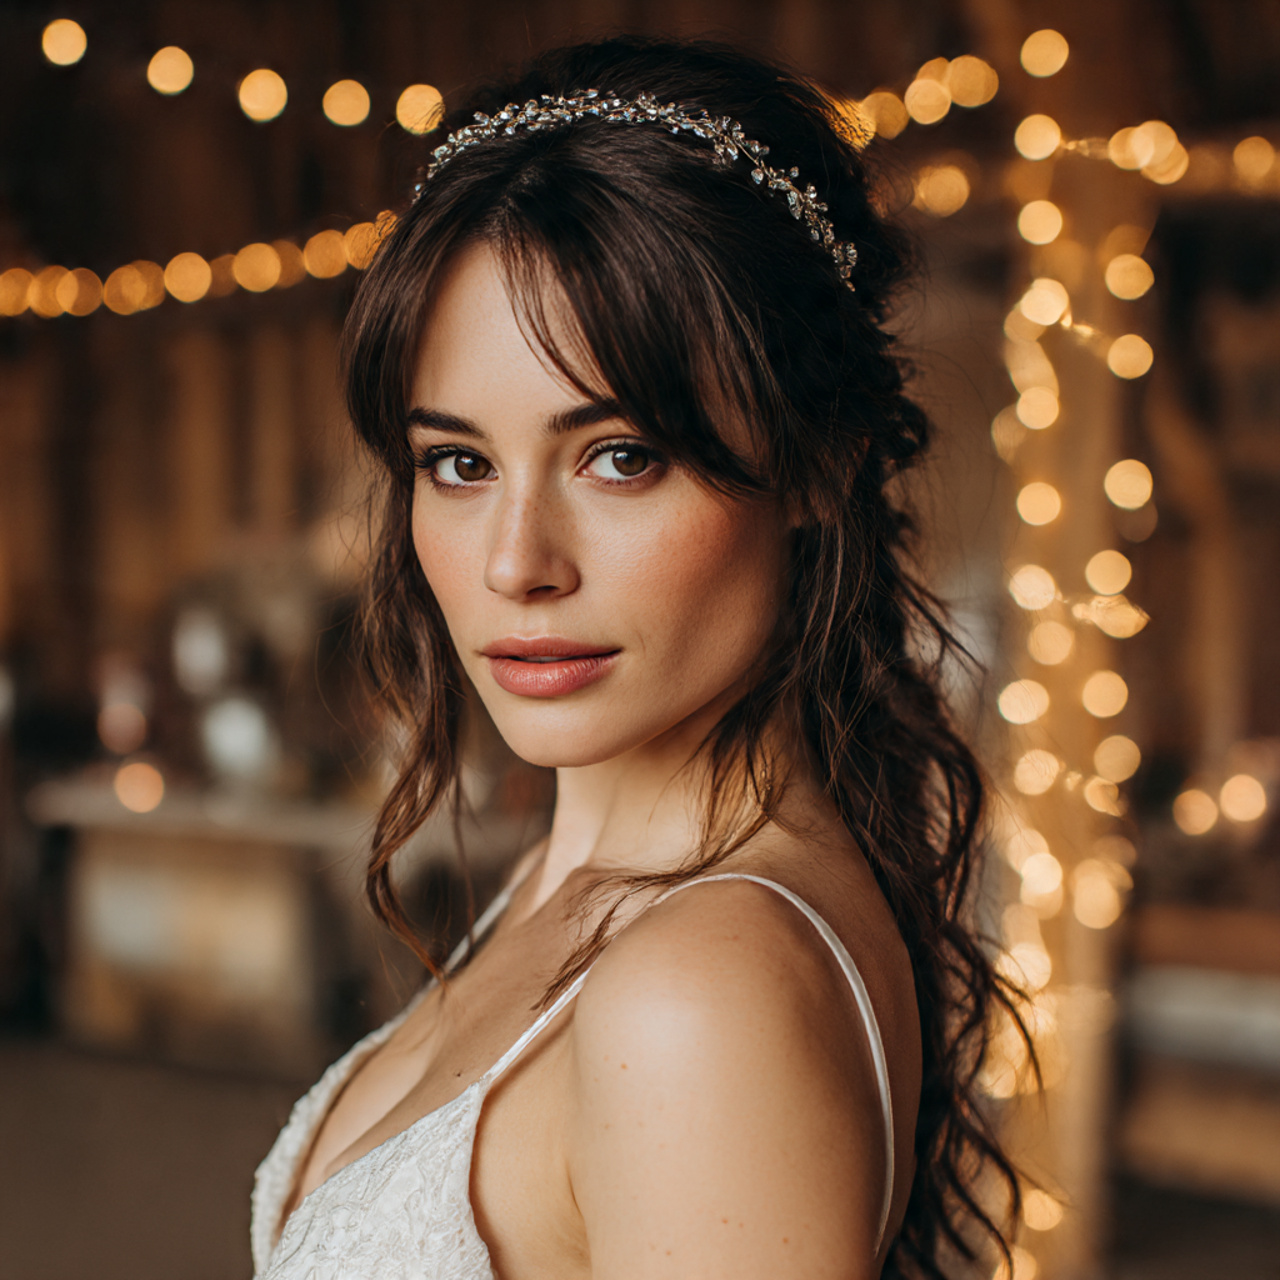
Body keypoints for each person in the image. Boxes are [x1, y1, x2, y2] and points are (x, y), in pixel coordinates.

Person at [250, 34, 1024, 1280]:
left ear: (816, 459)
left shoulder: (699, 996)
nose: (516, 563)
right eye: (459, 462)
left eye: (619, 454)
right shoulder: (588, 881)